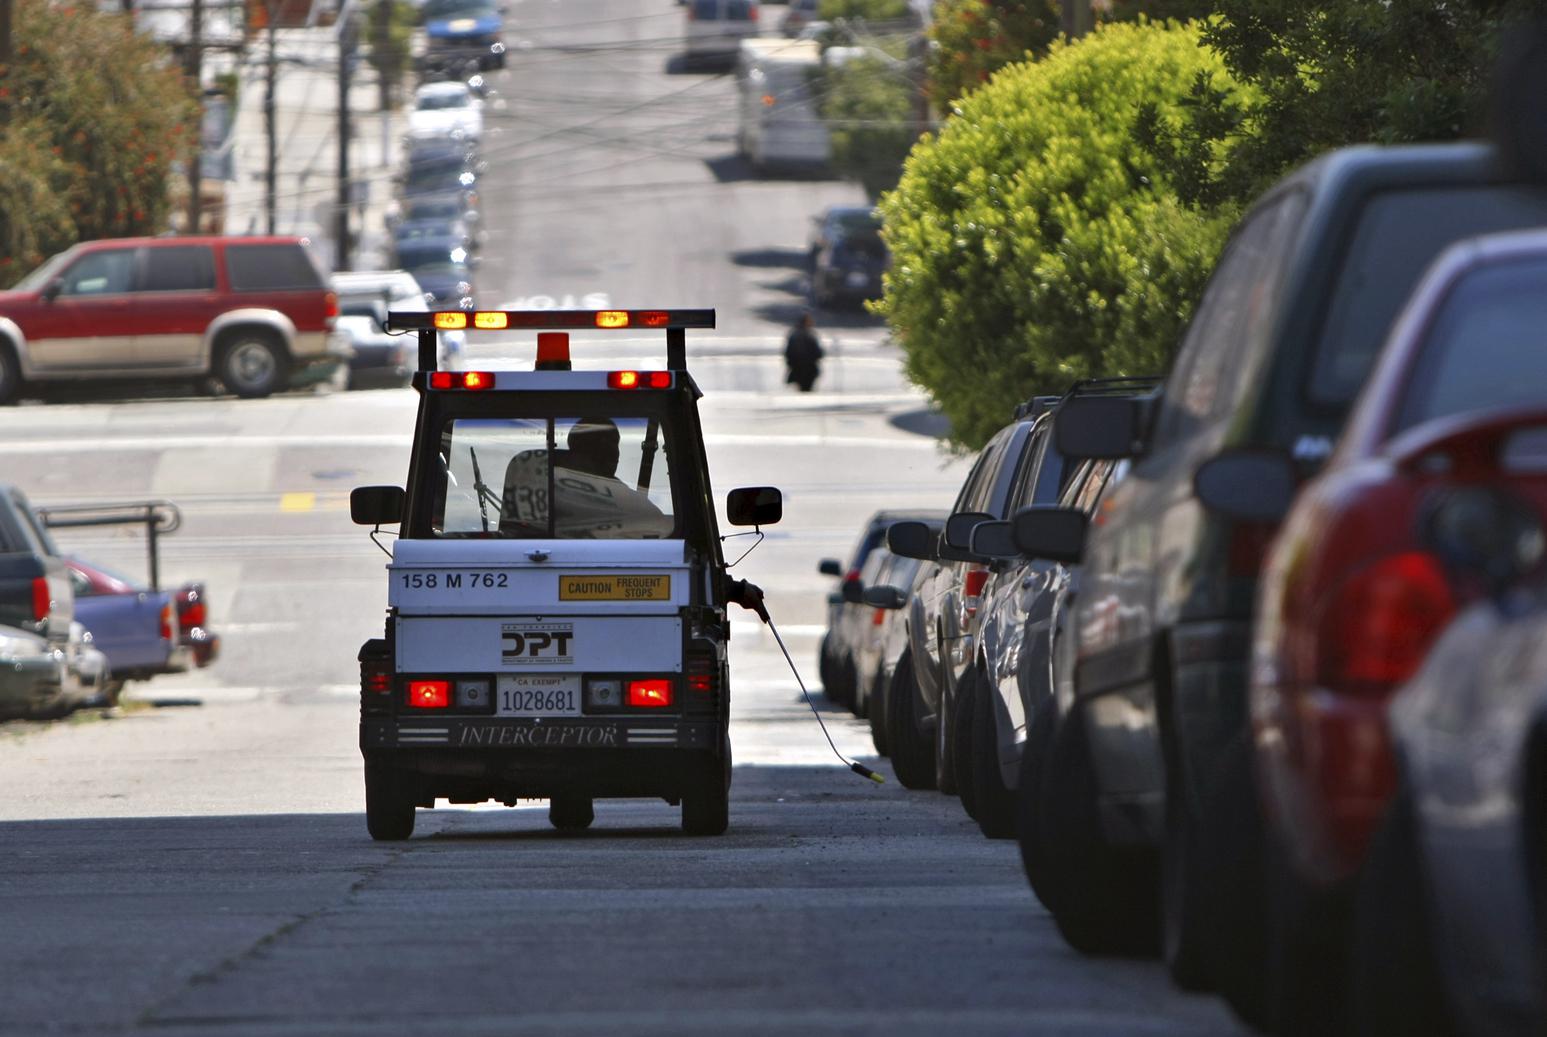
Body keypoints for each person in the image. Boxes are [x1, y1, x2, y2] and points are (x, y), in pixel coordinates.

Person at [784, 312, 823, 392]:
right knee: (806, 389)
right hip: (807, 368)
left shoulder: (795, 334)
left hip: (799, 368)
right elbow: (817, 352)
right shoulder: (810, 335)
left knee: (804, 389)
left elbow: (788, 352)